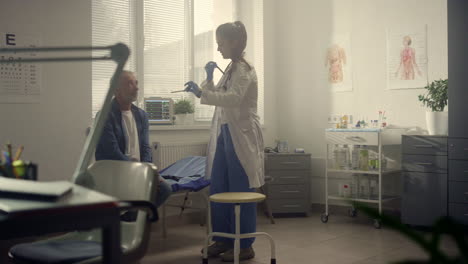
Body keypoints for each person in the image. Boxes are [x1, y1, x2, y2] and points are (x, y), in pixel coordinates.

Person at [184, 21, 264, 262]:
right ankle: (223, 239)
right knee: (219, 187)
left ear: (235, 42)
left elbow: (233, 98)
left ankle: (245, 244)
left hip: (242, 135)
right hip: (226, 133)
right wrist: (207, 77)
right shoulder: (231, 69)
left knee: (241, 190)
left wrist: (201, 93)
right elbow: (217, 94)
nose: (218, 49)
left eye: (220, 43)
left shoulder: (244, 69)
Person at [95, 70, 171, 208]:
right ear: (116, 91)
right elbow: (112, 153)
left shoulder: (141, 115)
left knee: (165, 189)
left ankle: (134, 220)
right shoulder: (104, 116)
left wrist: (148, 169)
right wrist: (138, 170)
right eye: (130, 84)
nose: (136, 87)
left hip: (139, 170)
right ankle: (129, 220)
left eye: (136, 83)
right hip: (114, 172)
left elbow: (145, 147)